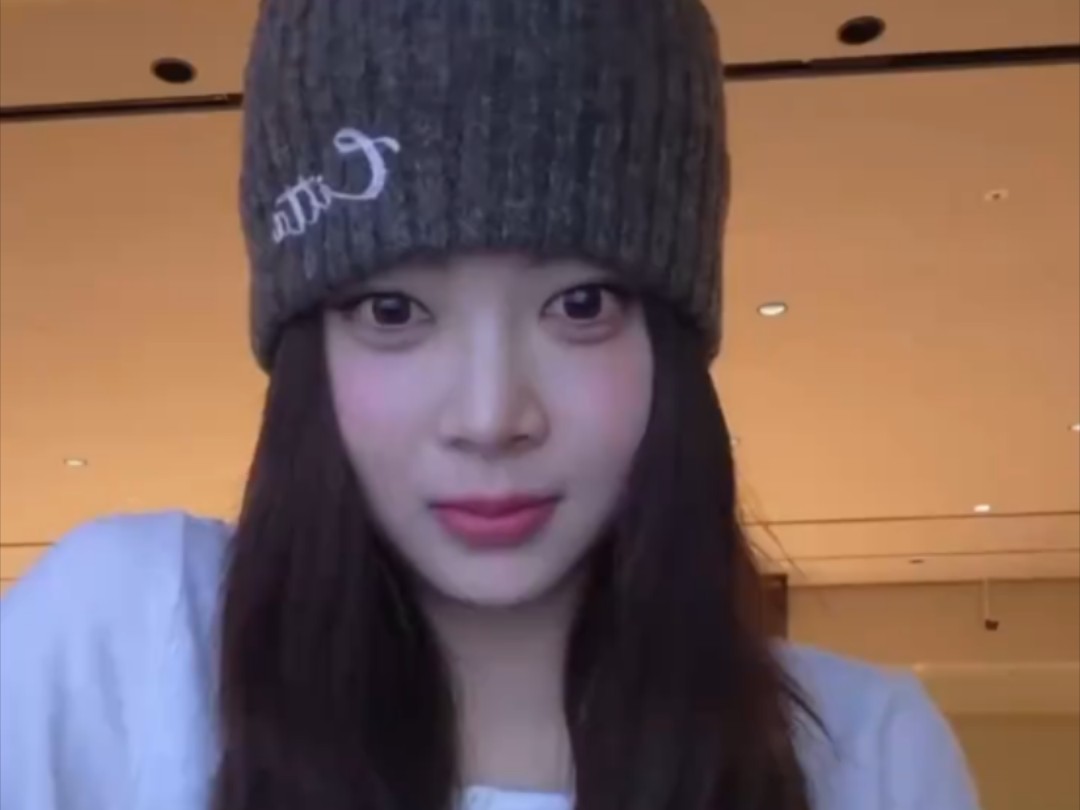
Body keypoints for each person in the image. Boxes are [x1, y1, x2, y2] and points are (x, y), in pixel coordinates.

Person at [0, 1, 981, 809]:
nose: (489, 416)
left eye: (580, 306)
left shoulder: (869, 761)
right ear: (308, 354)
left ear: (672, 345)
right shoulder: (124, 652)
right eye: (394, 311)